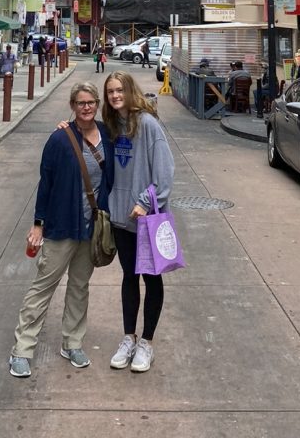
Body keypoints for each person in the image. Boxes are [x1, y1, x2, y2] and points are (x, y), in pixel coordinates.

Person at [9, 82, 114, 379]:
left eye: (91, 102)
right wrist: (38, 223)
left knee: (80, 286)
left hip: (91, 227)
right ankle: (22, 349)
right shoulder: (58, 139)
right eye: (81, 103)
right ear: (72, 105)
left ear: (97, 104)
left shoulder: (108, 134)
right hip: (60, 225)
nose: (86, 107)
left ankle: (73, 342)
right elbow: (46, 183)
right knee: (43, 286)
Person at [102, 71, 175, 374]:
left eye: (119, 90)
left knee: (151, 278)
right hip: (120, 219)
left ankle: (147, 342)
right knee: (129, 277)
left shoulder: (148, 125)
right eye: (110, 92)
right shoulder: (110, 126)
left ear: (130, 91)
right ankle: (128, 337)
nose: (115, 96)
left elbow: (165, 173)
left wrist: (144, 203)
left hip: (146, 219)